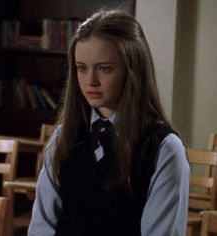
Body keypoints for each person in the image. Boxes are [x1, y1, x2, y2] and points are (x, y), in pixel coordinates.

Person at [28, 9, 190, 236]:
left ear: (133, 70)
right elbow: (41, 228)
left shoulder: (163, 149)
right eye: (82, 68)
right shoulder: (64, 137)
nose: (90, 81)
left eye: (105, 68)